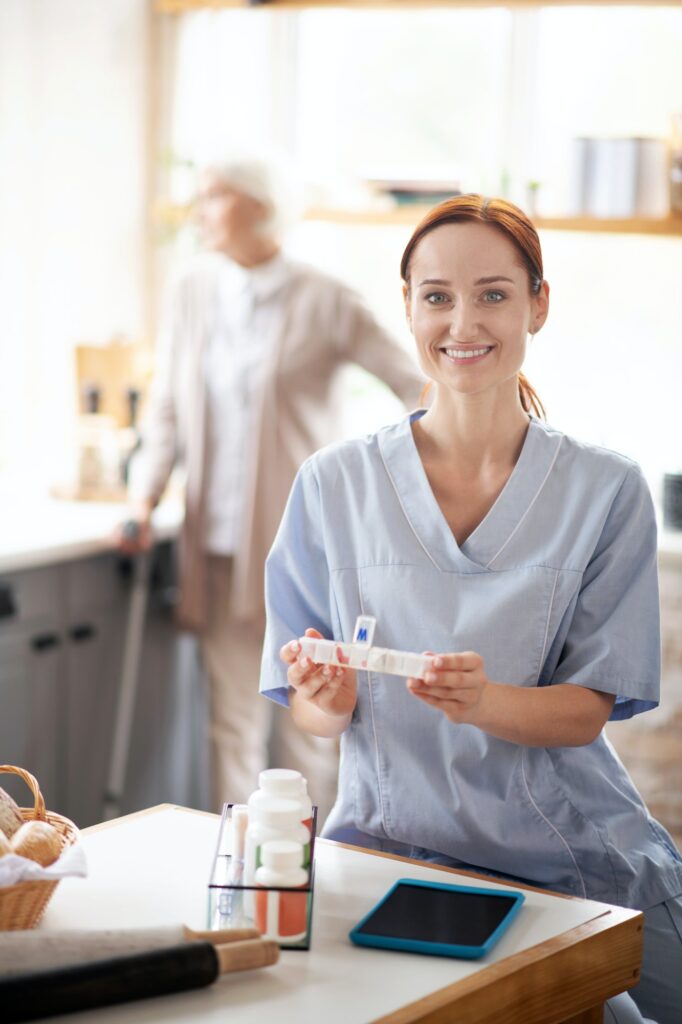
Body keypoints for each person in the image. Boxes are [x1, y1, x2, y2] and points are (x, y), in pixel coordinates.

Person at [260, 194, 682, 1024]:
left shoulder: (606, 490)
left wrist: (484, 702)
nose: (464, 322)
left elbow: (587, 712)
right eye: (437, 296)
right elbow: (313, 714)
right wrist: (329, 694)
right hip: (387, 854)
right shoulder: (333, 483)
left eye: (493, 293)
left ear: (538, 304)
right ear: (410, 306)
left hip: (565, 860)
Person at [119, 154, 424, 818]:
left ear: (257, 206)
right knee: (230, 723)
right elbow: (167, 406)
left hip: (306, 551)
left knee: (307, 726)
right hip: (220, 548)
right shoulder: (192, 292)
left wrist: (400, 491)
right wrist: (143, 497)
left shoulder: (326, 298)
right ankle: (240, 884)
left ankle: (310, 875)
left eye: (214, 196)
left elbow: (417, 389)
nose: (199, 211)